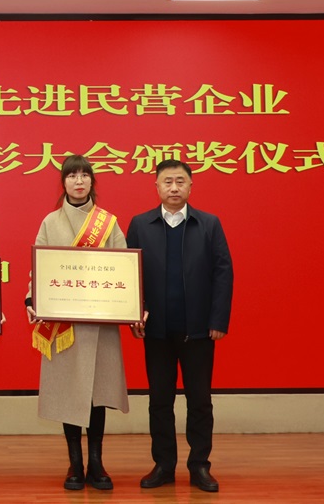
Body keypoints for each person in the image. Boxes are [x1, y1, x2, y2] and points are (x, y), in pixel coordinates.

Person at [127, 159, 233, 493]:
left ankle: (200, 465)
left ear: (190, 186)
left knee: (200, 400)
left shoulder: (209, 224)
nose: (174, 188)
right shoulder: (140, 224)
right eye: (167, 182)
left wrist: (217, 319)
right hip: (156, 330)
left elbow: (223, 272)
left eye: (180, 181)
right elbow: (128, 274)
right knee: (159, 400)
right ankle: (163, 465)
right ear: (157, 186)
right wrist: (134, 314)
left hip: (199, 330)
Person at [25, 155, 129, 491]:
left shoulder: (108, 223)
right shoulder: (50, 222)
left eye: (85, 175)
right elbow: (39, 267)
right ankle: (74, 463)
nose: (79, 181)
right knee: (70, 393)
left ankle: (96, 463)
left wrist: (131, 304)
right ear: (64, 182)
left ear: (92, 182)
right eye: (72, 176)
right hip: (64, 325)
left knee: (97, 394)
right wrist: (32, 299)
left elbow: (125, 270)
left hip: (100, 323)